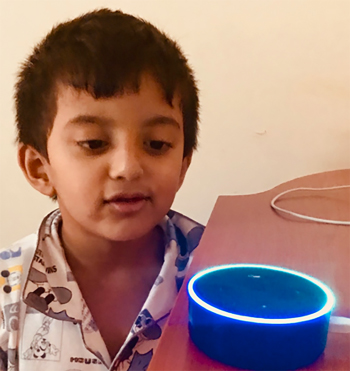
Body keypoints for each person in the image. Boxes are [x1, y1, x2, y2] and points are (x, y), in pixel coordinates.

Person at [0, 8, 204, 371]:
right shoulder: (7, 294)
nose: (127, 167)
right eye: (93, 143)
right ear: (39, 168)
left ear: (183, 164)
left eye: (156, 144)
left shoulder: (215, 273)